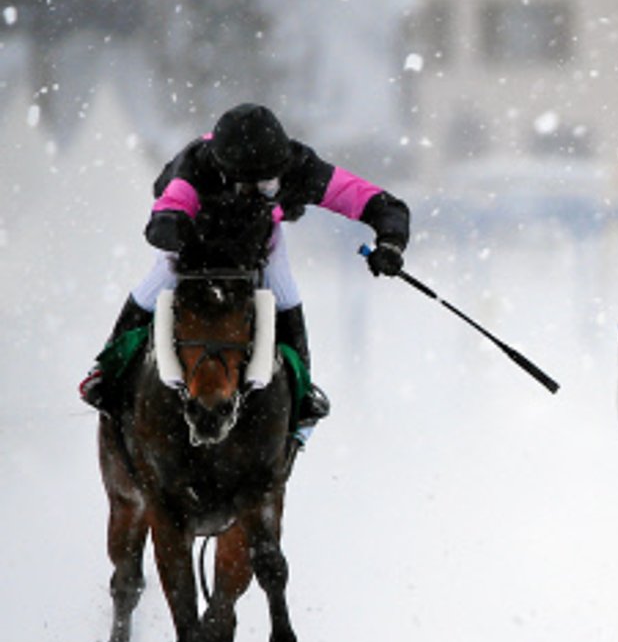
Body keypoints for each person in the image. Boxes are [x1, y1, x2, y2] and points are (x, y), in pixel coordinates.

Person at [79, 103, 411, 442]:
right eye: (246, 186)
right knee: (156, 284)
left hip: (256, 242)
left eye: (266, 185)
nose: (256, 193)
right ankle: (105, 373)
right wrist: (171, 229)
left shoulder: (300, 166)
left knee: (286, 296)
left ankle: (303, 396)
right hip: (195, 241)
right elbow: (166, 211)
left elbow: (375, 202)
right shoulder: (195, 167)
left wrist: (390, 242)